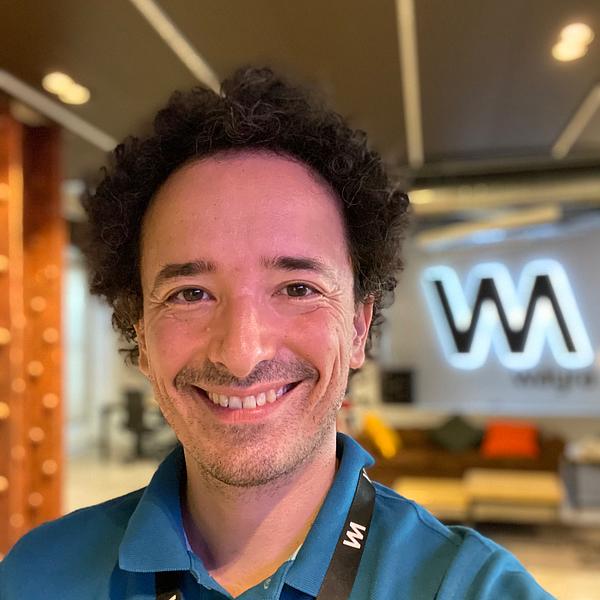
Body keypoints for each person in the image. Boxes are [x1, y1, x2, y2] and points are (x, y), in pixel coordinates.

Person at [0, 67, 553, 599]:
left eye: (297, 288)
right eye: (190, 294)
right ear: (141, 334)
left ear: (357, 326)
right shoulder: (35, 576)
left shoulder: (469, 588)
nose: (242, 354)